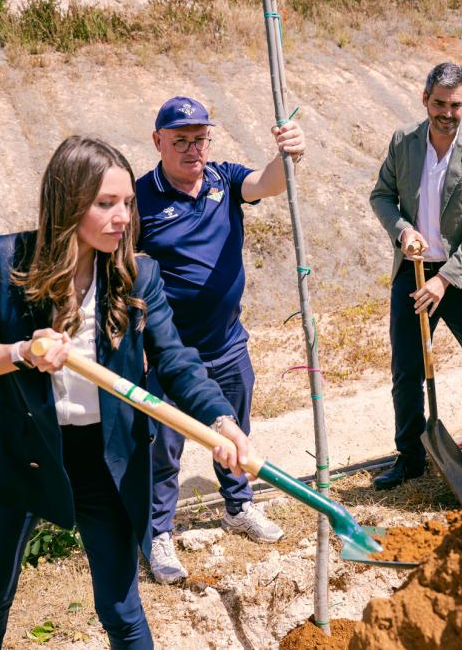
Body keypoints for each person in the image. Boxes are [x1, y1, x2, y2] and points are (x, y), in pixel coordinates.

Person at [0, 135, 254, 650]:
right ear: (68, 204)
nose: (122, 218)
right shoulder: (8, 261)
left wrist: (223, 425)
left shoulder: (137, 273)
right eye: (105, 204)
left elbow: (177, 362)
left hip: (108, 460)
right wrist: (21, 352)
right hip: (22, 453)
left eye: (127, 204)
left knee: (121, 607)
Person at [134, 96, 305, 584]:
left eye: (200, 139)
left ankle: (238, 507)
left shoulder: (222, 179)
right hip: (169, 355)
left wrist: (288, 154)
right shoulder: (141, 199)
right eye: (181, 140)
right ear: (158, 141)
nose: (193, 149)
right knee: (163, 447)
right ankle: (158, 531)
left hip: (228, 342)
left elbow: (268, 184)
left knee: (235, 434)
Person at [368, 62, 462, 490]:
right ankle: (411, 455)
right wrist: (403, 231)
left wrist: (445, 279)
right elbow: (382, 195)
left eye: (455, 105)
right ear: (424, 99)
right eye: (438, 103)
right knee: (407, 369)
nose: (446, 113)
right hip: (413, 274)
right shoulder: (404, 142)